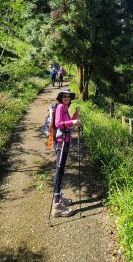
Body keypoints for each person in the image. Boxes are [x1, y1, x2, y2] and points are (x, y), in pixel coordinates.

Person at [51, 88, 80, 218]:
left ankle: (58, 196)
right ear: (61, 98)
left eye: (68, 96)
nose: (67, 98)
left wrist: (75, 116)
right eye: (65, 96)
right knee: (59, 169)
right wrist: (72, 121)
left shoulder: (65, 108)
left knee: (61, 169)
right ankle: (56, 205)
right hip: (61, 142)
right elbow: (58, 124)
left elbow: (67, 124)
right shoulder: (60, 107)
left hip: (65, 141)